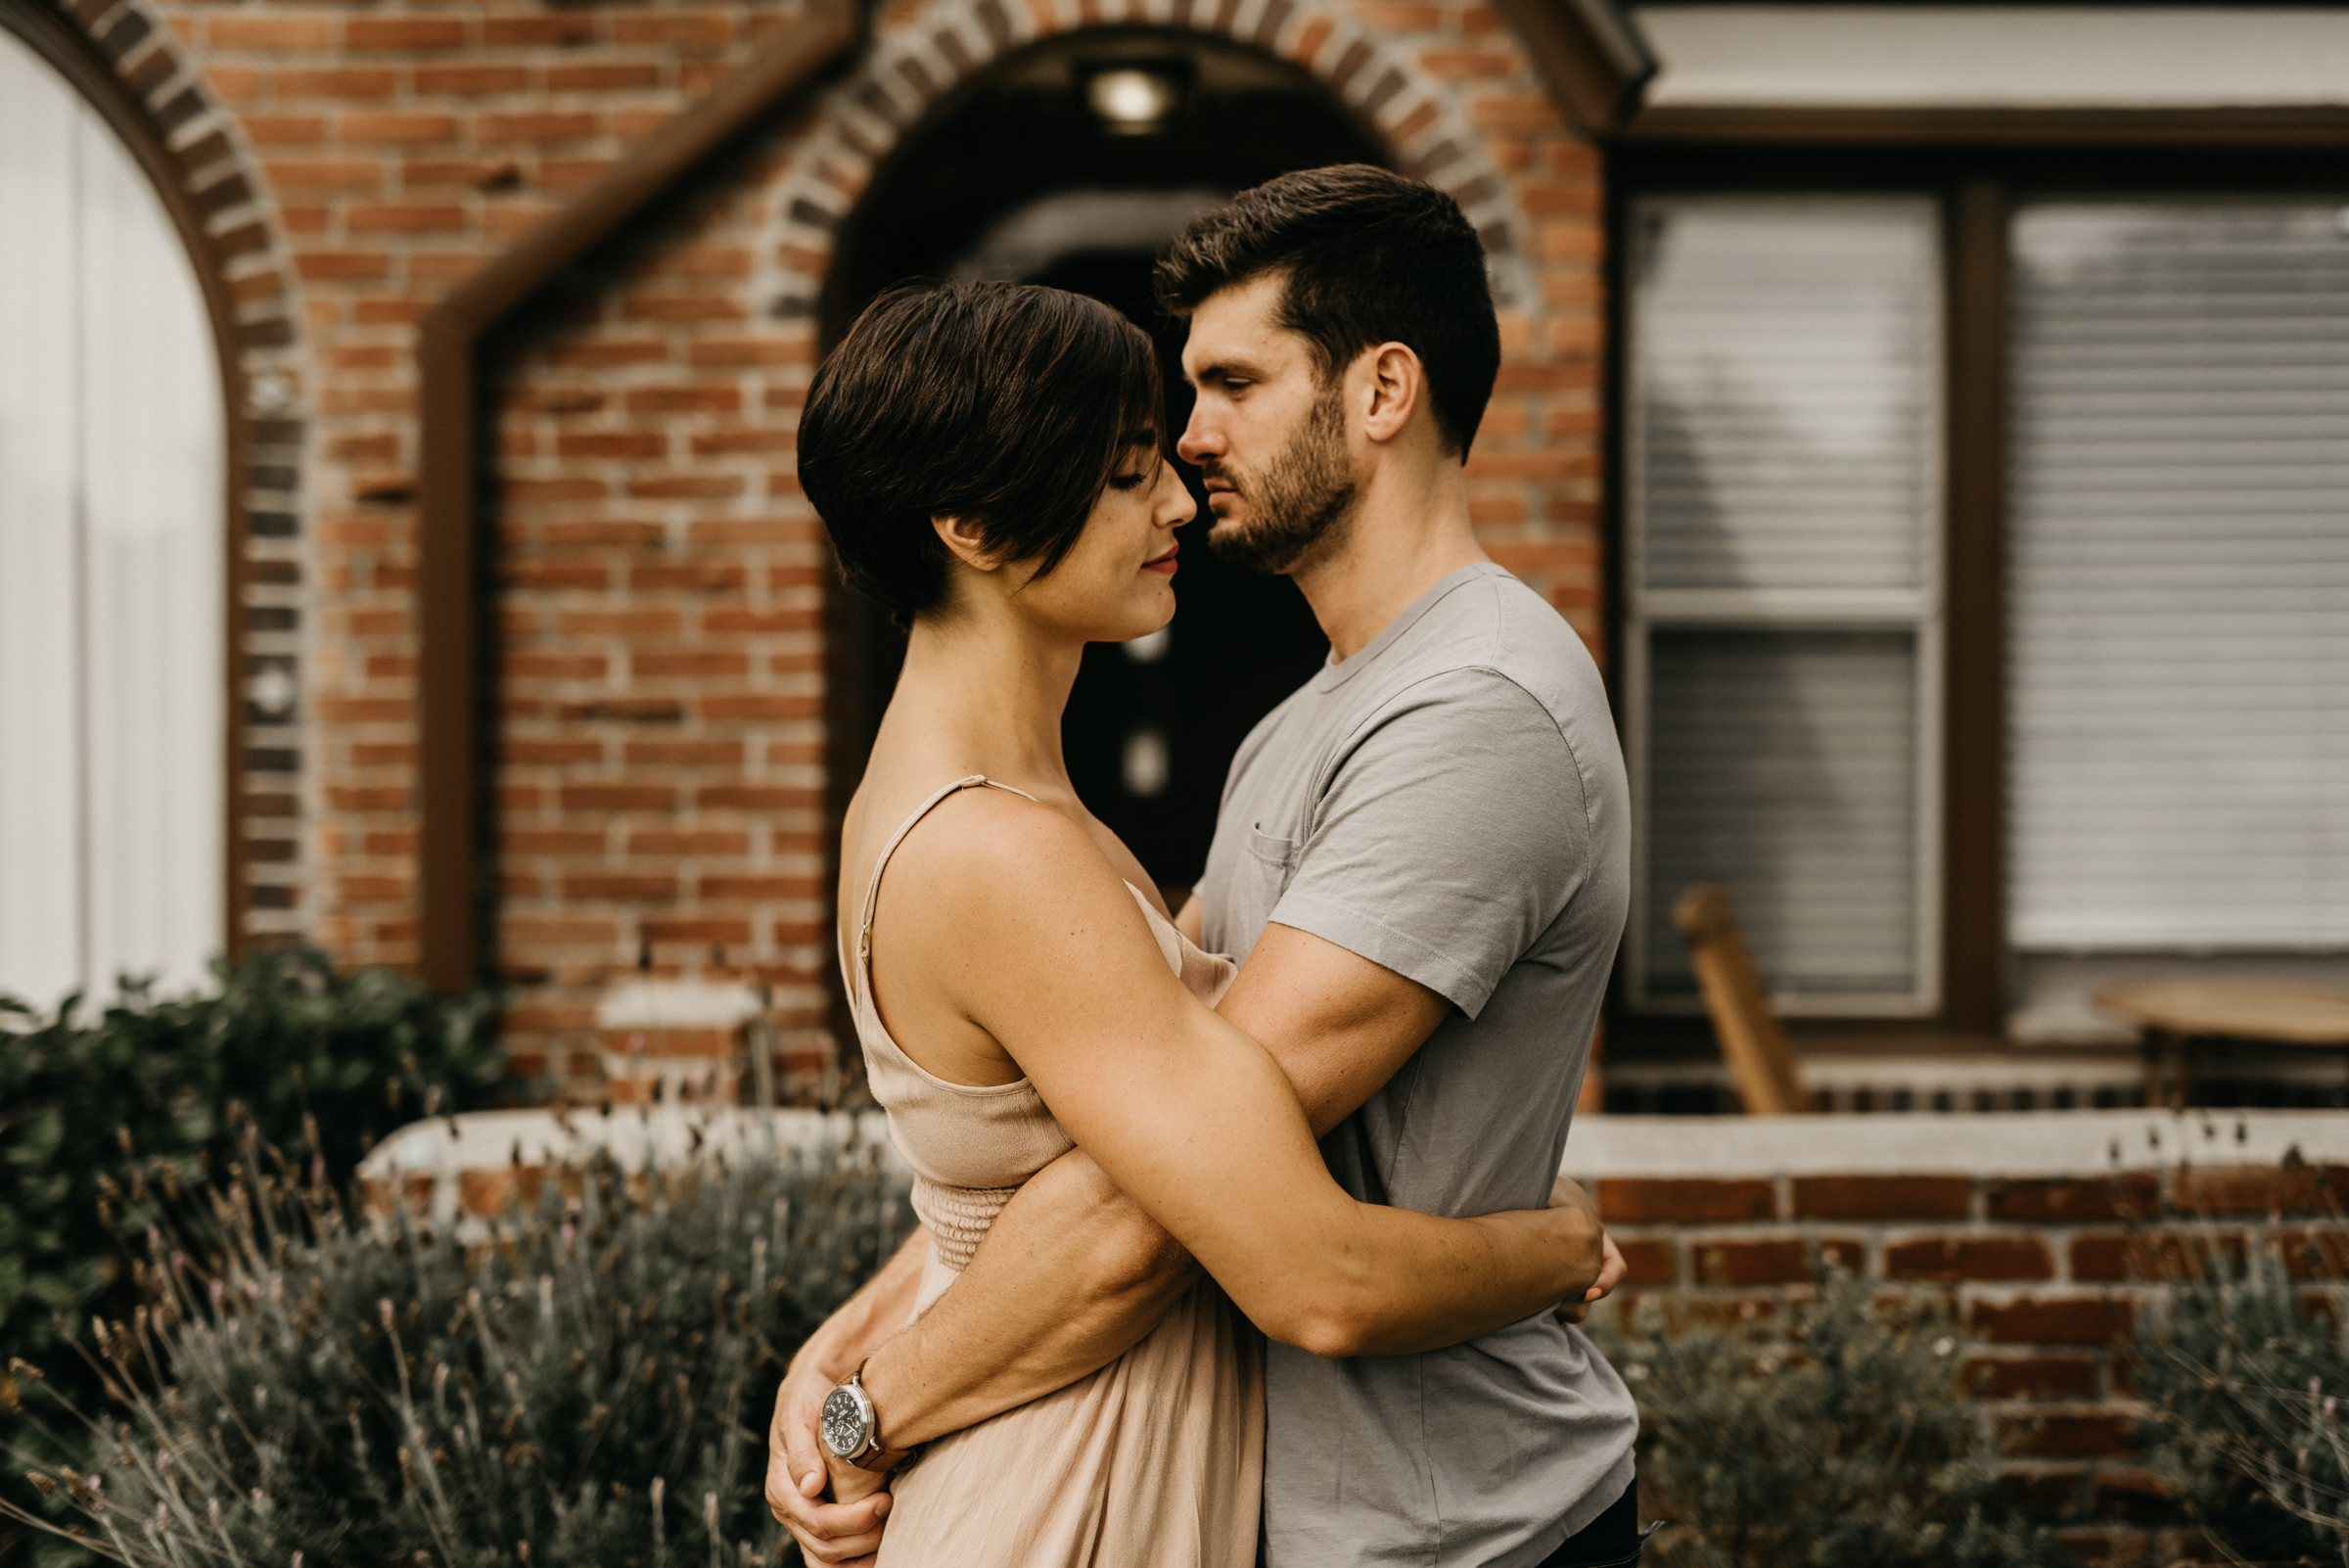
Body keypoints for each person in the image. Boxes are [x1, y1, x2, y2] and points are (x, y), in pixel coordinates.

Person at [769, 272, 1616, 1567]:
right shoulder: (1000, 851)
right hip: (1062, 1499)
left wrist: (853, 1360)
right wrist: (1548, 1249)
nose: (1177, 494)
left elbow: (1035, 1177)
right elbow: (1301, 1270)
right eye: (1124, 473)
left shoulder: (994, 805)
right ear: (975, 525)